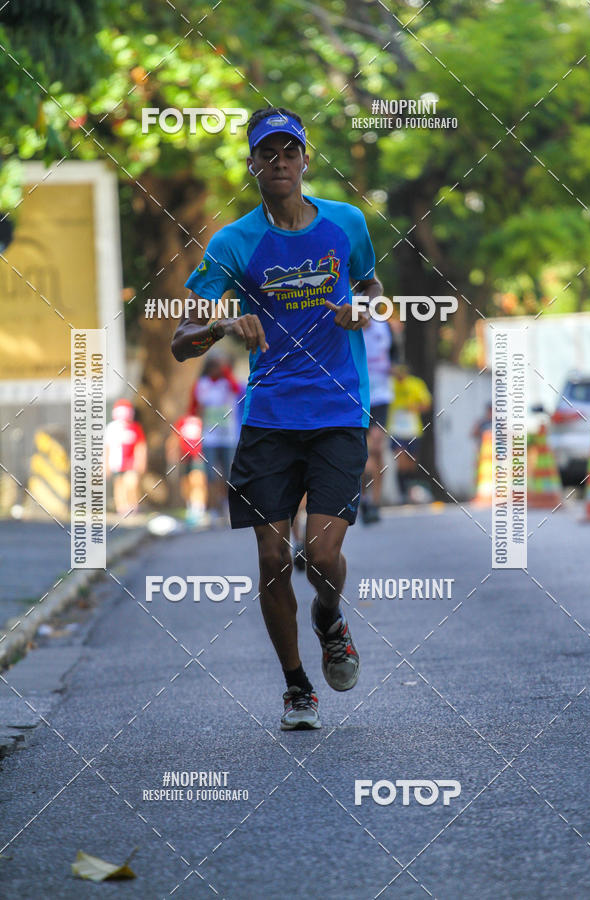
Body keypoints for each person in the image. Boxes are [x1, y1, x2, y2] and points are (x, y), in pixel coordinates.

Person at [172, 107, 382, 730]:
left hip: (339, 406)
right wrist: (223, 324)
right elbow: (182, 340)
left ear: (306, 160)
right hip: (268, 415)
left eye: (291, 152)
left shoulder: (347, 223)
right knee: (270, 556)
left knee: (319, 552)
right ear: (253, 165)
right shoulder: (233, 242)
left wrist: (363, 310)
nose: (281, 163)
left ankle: (330, 616)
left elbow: (373, 290)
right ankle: (296, 687)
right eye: (268, 154)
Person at [188, 354, 240, 524]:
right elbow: (193, 409)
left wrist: (225, 370)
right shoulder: (201, 385)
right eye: (214, 366)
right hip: (209, 437)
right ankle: (213, 508)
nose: (217, 369)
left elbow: (237, 389)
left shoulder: (228, 383)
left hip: (228, 437)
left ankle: (227, 505)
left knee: (228, 473)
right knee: (210, 475)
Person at [360, 318, 393, 524]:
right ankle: (363, 497)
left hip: (381, 397)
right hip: (357, 396)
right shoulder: (348, 326)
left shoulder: (384, 326)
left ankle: (375, 502)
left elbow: (395, 354)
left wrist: (397, 368)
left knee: (377, 447)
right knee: (363, 454)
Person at [388, 365, 432, 504]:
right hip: (396, 429)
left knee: (411, 464)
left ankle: (410, 491)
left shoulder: (416, 383)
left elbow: (426, 404)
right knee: (401, 460)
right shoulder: (389, 384)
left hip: (412, 429)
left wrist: (414, 407)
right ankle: (402, 494)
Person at [104, 398, 147, 517]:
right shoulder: (111, 428)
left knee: (131, 483)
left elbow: (140, 446)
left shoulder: (135, 428)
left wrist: (141, 461)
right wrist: (105, 465)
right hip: (116, 462)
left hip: (131, 462)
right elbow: (107, 448)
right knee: (119, 485)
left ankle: (133, 506)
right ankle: (122, 508)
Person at [166, 413, 208, 527]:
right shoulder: (182, 421)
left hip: (198, 456)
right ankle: (190, 508)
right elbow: (173, 439)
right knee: (186, 484)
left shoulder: (203, 419)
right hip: (184, 457)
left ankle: (198, 509)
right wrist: (172, 459)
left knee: (197, 481)